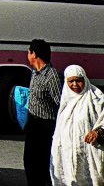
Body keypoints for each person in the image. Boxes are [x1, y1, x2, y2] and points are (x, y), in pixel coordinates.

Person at [50, 65, 104, 186]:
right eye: (71, 81)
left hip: (90, 154)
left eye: (78, 80)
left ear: (85, 79)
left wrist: (97, 131)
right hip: (67, 153)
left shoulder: (96, 97)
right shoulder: (66, 99)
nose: (75, 84)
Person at [26, 39, 64, 186]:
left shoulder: (52, 75)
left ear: (34, 54)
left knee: (42, 166)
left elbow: (60, 102)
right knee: (29, 163)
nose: (27, 55)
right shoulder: (35, 73)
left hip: (46, 127)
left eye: (29, 52)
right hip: (32, 124)